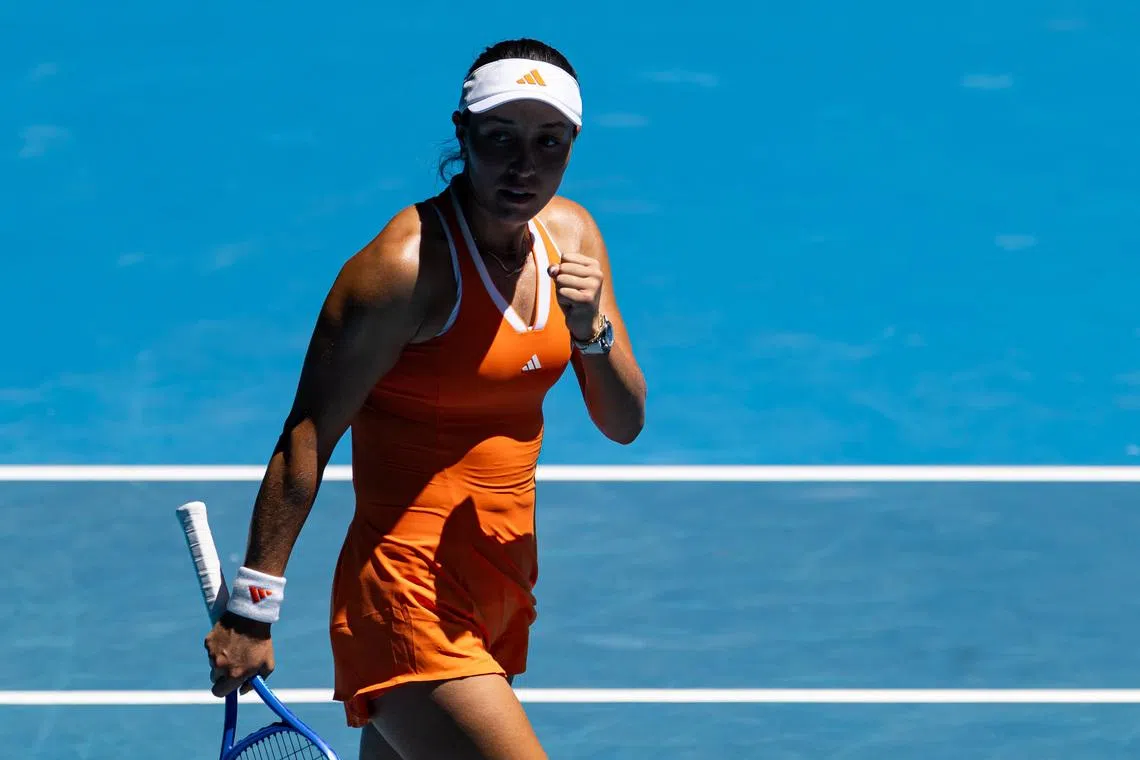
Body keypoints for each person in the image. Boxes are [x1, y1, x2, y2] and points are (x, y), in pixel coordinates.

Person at [203, 37, 647, 760]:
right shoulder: (402, 271)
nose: (523, 165)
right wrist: (253, 607)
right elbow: (307, 434)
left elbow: (623, 422)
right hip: (405, 599)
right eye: (500, 138)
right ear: (463, 132)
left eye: (548, 142)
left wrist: (590, 330)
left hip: (500, 587)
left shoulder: (573, 237)